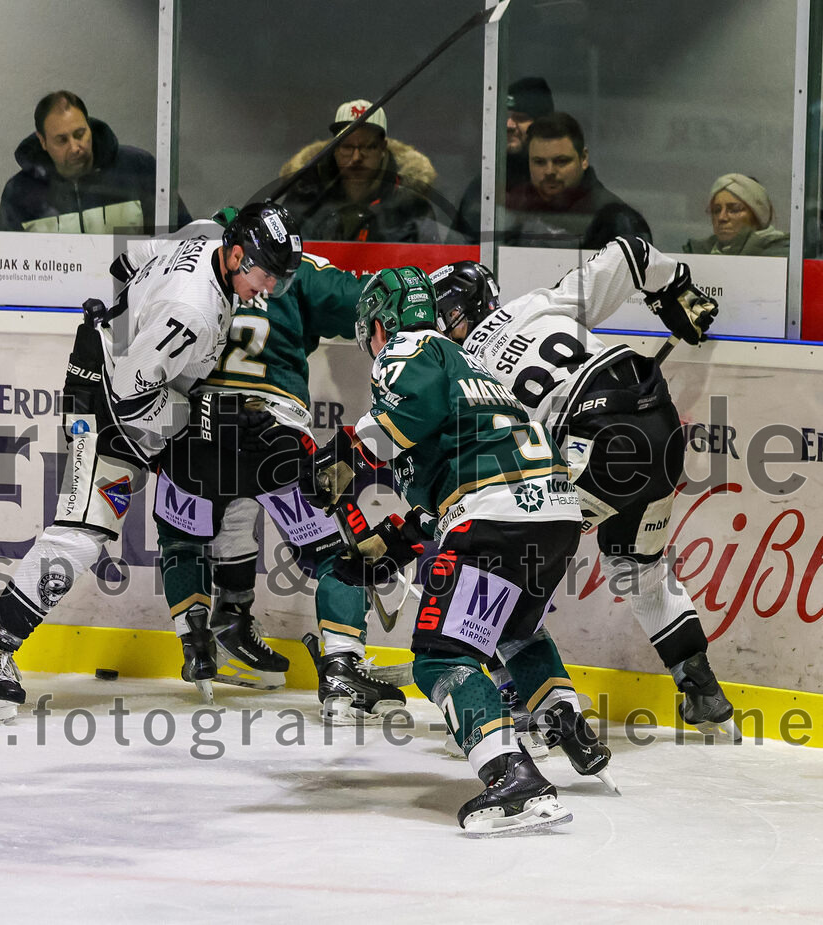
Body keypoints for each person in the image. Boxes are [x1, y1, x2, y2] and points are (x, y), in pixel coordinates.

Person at [0, 202, 303, 723]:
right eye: (265, 274)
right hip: (105, 406)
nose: (269, 288)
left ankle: (226, 625)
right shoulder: (191, 311)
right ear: (236, 256)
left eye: (279, 277)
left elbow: (128, 260)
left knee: (225, 474)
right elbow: (130, 394)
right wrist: (202, 415)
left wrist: (127, 317)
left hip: (121, 381)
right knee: (81, 534)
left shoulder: (204, 233)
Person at [300, 266, 615, 835]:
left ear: (380, 325)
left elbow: (404, 417)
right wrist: (393, 544)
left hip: (494, 515)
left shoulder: (408, 350)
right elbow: (443, 493)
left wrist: (340, 456)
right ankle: (566, 723)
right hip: (552, 514)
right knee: (513, 630)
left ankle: (512, 778)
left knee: (441, 656)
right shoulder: (474, 367)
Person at [430, 240, 740, 739]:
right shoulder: (538, 303)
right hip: (660, 427)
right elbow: (630, 251)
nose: (440, 325)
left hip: (593, 445)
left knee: (505, 564)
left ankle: (521, 695)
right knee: (638, 567)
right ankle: (700, 684)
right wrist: (675, 289)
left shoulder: (459, 368)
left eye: (443, 314)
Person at [153, 227, 405, 720]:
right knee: (336, 552)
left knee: (183, 534)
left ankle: (201, 642)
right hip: (273, 434)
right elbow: (368, 299)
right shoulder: (296, 269)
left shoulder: (190, 262)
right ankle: (341, 667)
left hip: (195, 431)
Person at [0, 89, 191, 234]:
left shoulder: (137, 168)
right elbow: (5, 258)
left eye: (80, 134)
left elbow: (183, 237)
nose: (75, 147)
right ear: (43, 141)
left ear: (89, 127)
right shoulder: (20, 192)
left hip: (133, 277)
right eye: (62, 140)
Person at [279, 99, 440, 243]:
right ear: (335, 148)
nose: (356, 157)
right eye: (347, 147)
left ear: (383, 148)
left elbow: (431, 260)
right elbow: (280, 257)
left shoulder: (411, 205)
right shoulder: (304, 200)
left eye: (368, 147)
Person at [501, 111, 652, 249]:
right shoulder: (516, 211)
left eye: (561, 161)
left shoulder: (619, 223)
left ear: (583, 159)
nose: (549, 171)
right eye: (539, 162)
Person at [451, 76, 555, 244]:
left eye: (520, 118)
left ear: (543, 124)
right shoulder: (483, 184)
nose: (509, 125)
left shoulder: (558, 182)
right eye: (506, 116)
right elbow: (458, 245)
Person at [684, 173, 790, 257]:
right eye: (716, 210)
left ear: (757, 216)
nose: (721, 218)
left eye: (734, 210)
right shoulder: (697, 254)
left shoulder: (780, 257)